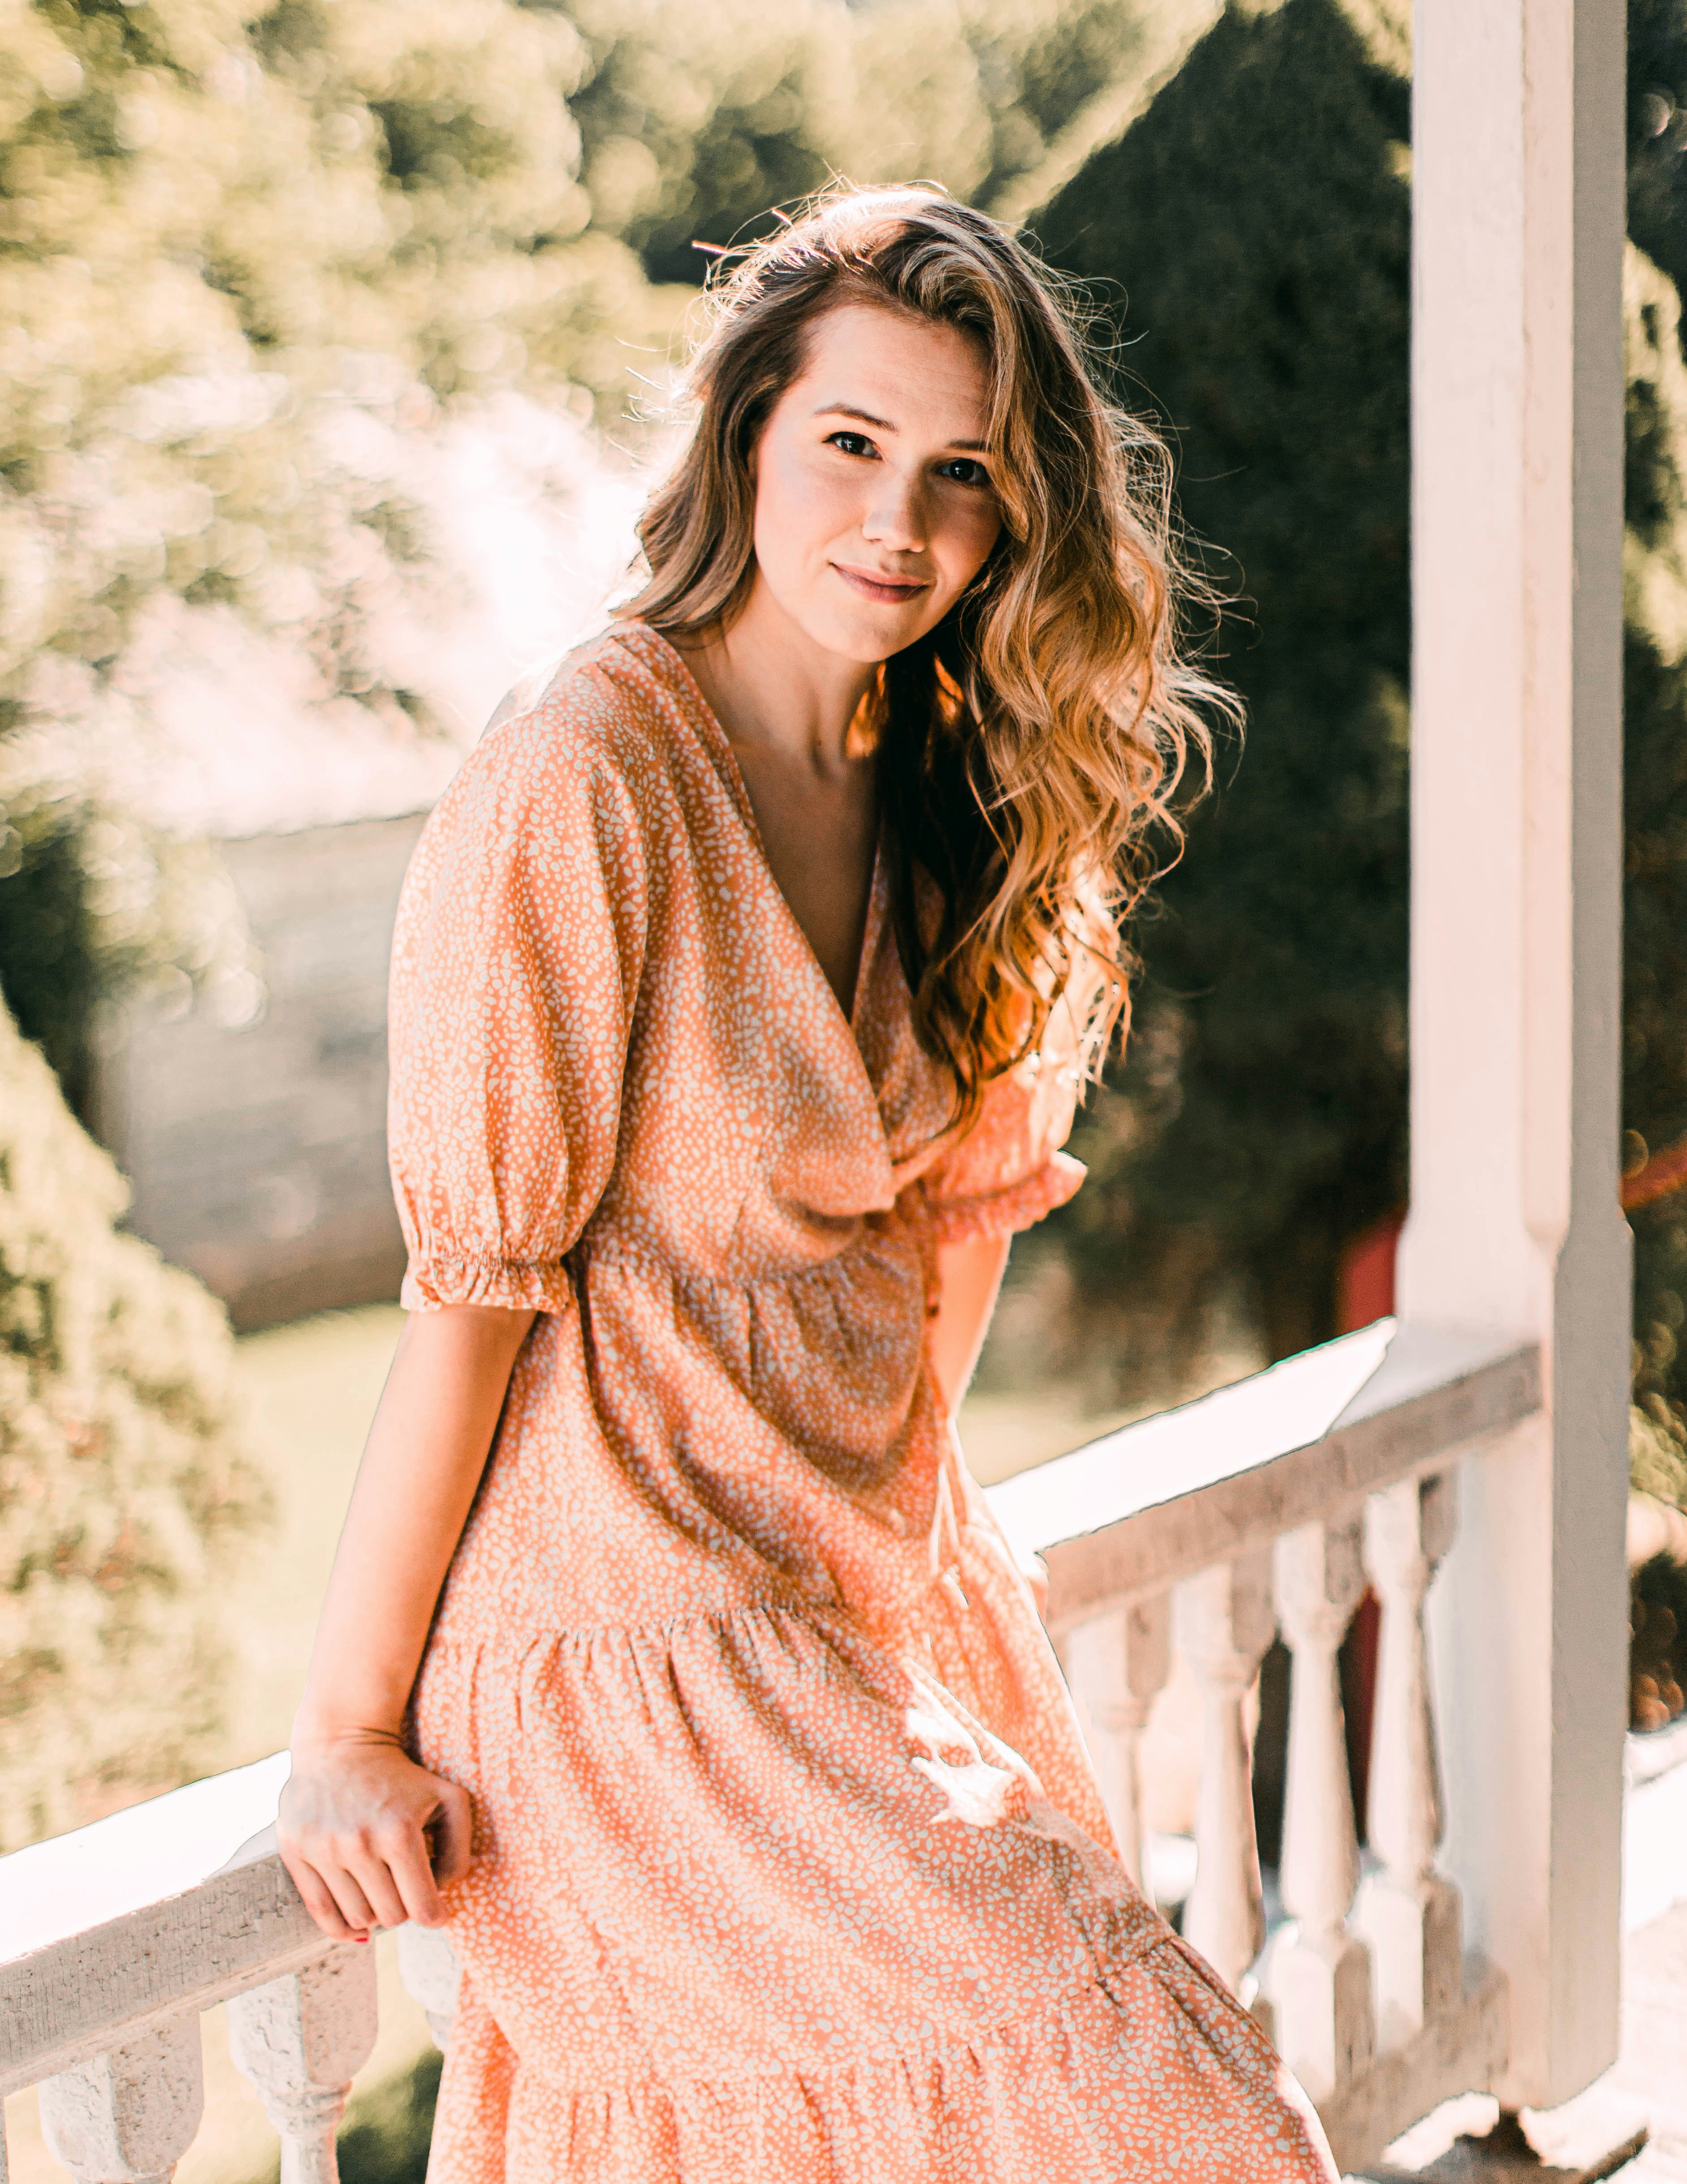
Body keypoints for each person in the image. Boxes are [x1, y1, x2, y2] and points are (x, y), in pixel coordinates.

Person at [278, 183, 1337, 2184]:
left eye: (963, 476)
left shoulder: (946, 777)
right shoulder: (582, 775)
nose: (902, 525)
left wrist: (914, 1575)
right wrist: (346, 1720)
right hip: (628, 1641)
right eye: (852, 441)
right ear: (748, 426)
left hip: (853, 1596)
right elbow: (471, 1290)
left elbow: (946, 1243)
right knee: (1173, 2105)